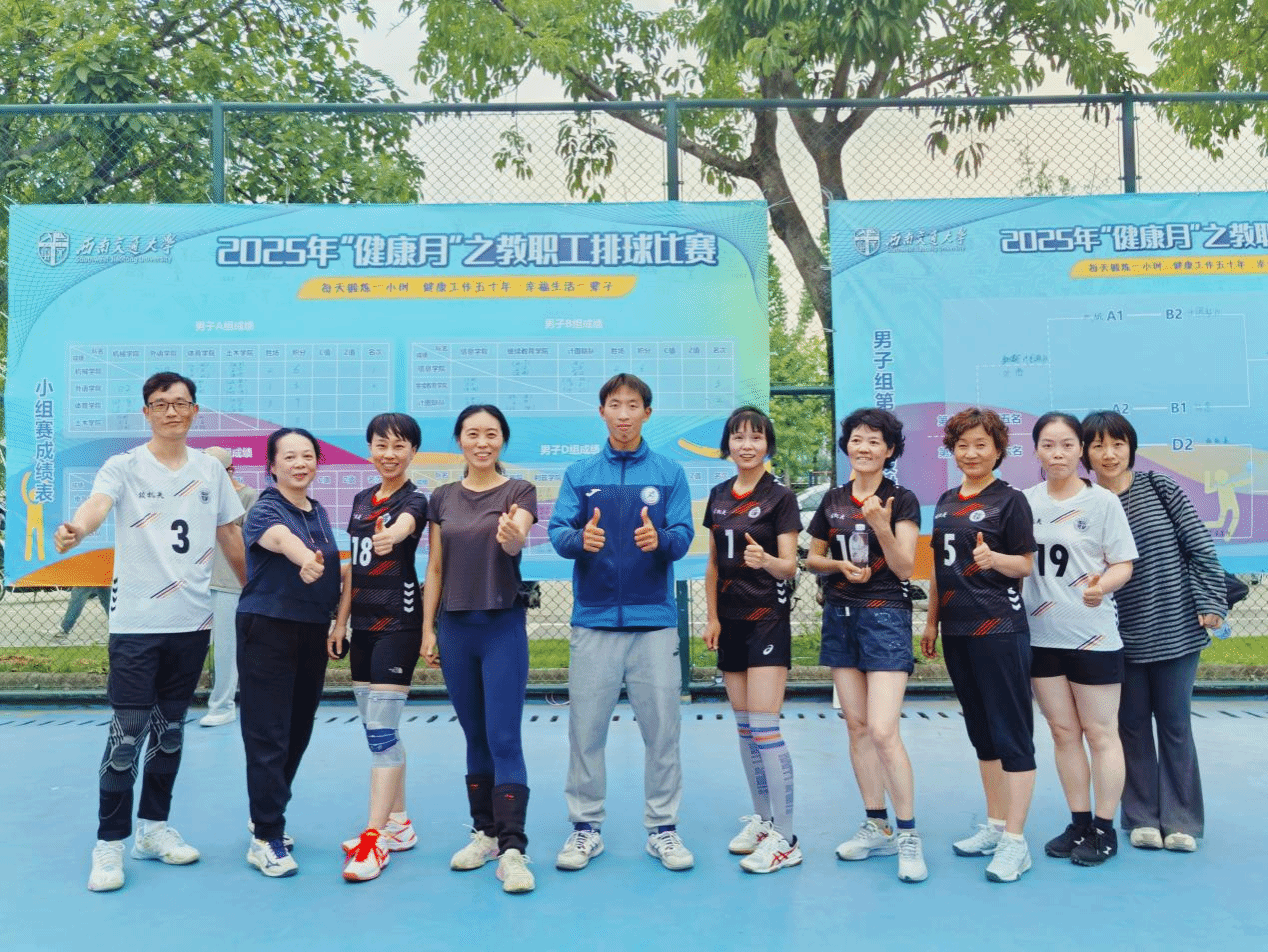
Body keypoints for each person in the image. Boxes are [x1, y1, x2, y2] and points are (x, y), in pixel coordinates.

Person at [54, 371, 246, 893]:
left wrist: (252, 592)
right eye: (161, 404)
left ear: (194, 411)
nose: (171, 411)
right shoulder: (124, 466)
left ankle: (153, 830)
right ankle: (109, 843)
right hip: (137, 624)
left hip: (192, 622)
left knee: (170, 732)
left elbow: (229, 533)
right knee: (126, 736)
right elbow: (96, 506)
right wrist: (77, 528)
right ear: (146, 413)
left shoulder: (210, 470)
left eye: (181, 403)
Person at [548, 373, 695, 872]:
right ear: (602, 412)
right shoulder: (580, 473)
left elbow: (683, 534)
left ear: (647, 413)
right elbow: (559, 530)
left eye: (633, 405)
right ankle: (585, 828)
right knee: (585, 731)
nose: (624, 414)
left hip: (654, 623)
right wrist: (579, 541)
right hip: (593, 622)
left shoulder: (670, 472)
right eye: (615, 404)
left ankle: (663, 829)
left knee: (663, 733)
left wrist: (662, 541)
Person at [1081, 410, 1224, 853]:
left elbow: (1199, 547)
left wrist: (1210, 601)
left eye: (1118, 444)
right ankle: (1141, 816)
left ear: (1131, 448)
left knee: (1176, 724)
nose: (1109, 454)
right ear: (1086, 453)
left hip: (1174, 627)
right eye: (1098, 445)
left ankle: (1181, 820)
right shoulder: (1084, 502)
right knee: (1131, 725)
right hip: (1115, 635)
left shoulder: (1160, 488)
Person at [421, 404, 538, 894]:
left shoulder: (518, 491)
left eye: (491, 434)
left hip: (501, 628)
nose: (482, 442)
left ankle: (512, 850)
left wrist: (512, 537)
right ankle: (485, 834)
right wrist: (428, 628)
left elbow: (517, 539)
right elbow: (435, 568)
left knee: (503, 736)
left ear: (502, 440)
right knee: (474, 736)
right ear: (459, 440)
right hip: (454, 629)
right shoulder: (442, 497)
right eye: (473, 434)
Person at [806, 407, 926, 883]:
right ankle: (877, 824)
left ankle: (909, 833)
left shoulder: (902, 499)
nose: (864, 447)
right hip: (840, 616)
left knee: (882, 729)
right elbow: (813, 558)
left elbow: (904, 567)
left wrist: (879, 524)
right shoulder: (833, 499)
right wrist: (838, 567)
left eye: (875, 441)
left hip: (886, 618)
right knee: (856, 727)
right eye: (857, 439)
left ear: (890, 450)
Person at [919, 407, 1037, 883]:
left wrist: (996, 559)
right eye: (962, 445)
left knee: (1012, 734)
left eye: (981, 445)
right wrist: (931, 622)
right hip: (957, 632)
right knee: (982, 734)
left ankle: (1016, 841)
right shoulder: (946, 500)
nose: (971, 453)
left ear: (999, 450)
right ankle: (995, 824)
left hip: (999, 630)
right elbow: (938, 568)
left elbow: (1025, 564)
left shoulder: (1010, 501)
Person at [1023, 413, 1136, 867]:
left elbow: (1123, 562)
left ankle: (1105, 829)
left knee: (1101, 733)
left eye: (1067, 445)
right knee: (1063, 732)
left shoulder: (1102, 502)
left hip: (1093, 636)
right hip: (1040, 636)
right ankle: (1079, 822)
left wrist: (1101, 586)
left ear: (1080, 450)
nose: (1058, 454)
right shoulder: (1024, 502)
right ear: (1036, 450)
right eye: (1048, 445)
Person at [237, 427, 341, 878]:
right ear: (272, 465)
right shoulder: (265, 509)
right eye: (290, 457)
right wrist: (306, 560)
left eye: (308, 456)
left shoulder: (318, 511)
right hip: (267, 629)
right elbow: (281, 539)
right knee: (268, 733)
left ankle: (268, 811)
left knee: (298, 728)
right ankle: (265, 837)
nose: (300, 464)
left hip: (311, 631)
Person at [702, 406, 801, 874]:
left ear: (767, 445)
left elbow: (790, 566)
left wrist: (767, 562)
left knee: (764, 728)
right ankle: (763, 821)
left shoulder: (780, 497)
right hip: (732, 622)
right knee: (744, 729)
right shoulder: (719, 495)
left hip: (767, 621)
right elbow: (712, 564)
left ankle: (787, 837)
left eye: (756, 437)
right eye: (739, 437)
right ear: (728, 445)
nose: (747, 445)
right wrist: (712, 617)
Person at [329, 414, 428, 882]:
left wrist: (394, 534)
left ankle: (373, 837)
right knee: (376, 730)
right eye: (381, 445)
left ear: (413, 452)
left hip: (399, 625)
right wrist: (340, 621)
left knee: (382, 734)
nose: (390, 454)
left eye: (399, 446)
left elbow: (405, 526)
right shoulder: (360, 499)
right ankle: (399, 823)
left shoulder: (416, 499)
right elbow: (353, 567)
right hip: (363, 628)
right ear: (369, 449)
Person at [200, 446, 258, 727]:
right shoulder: (196, 496)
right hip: (196, 582)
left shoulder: (248, 497)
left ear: (230, 470)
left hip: (229, 583)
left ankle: (222, 706)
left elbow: (252, 543)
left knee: (226, 649)